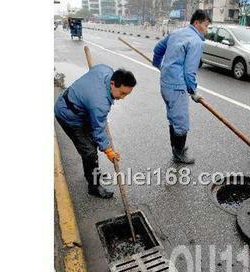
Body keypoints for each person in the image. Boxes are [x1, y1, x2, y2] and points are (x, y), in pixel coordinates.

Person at [55, 65, 137, 199]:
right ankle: (94, 187)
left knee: (91, 143)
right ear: (112, 83)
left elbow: (94, 71)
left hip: (80, 107)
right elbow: (98, 129)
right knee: (89, 151)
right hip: (68, 115)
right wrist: (108, 150)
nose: (123, 97)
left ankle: (93, 172)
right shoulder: (99, 103)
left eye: (127, 94)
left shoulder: (105, 70)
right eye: (122, 93)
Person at [152, 10, 211, 164]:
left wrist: (159, 65)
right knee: (181, 122)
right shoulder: (196, 41)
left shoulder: (177, 33)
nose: (207, 29)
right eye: (205, 25)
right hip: (177, 87)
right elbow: (189, 72)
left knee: (173, 118)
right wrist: (193, 91)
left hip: (165, 83)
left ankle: (176, 147)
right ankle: (178, 154)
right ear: (197, 23)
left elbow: (157, 49)